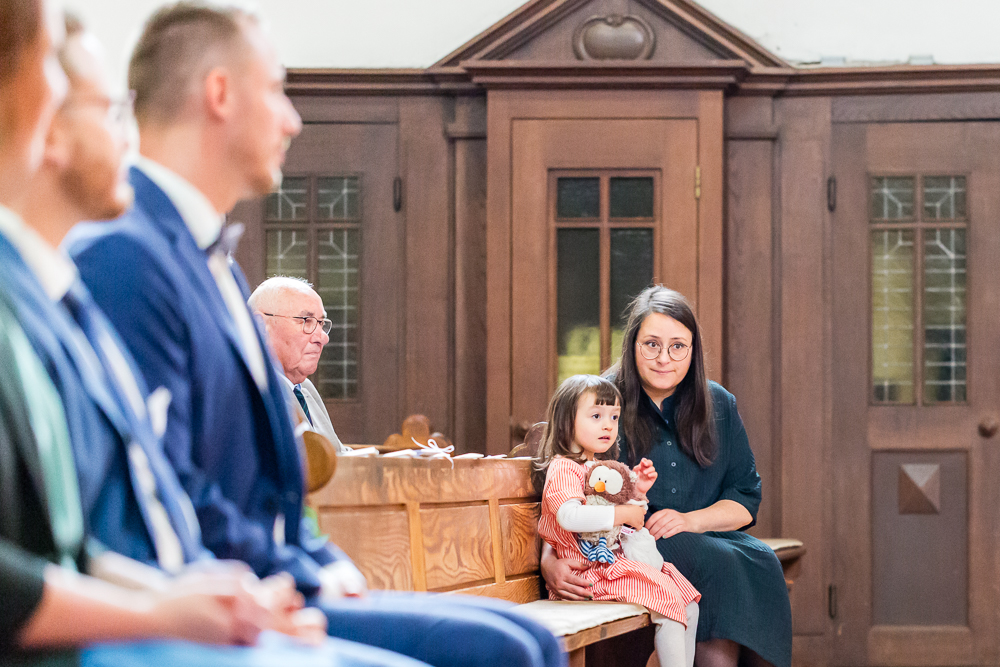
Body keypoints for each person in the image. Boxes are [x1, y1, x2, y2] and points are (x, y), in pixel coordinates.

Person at [66, 5, 564, 667]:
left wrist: (325, 559)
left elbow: (270, 485)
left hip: (281, 569)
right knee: (505, 650)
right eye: (275, 89)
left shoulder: (209, 260)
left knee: (529, 636)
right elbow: (168, 486)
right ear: (219, 93)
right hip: (222, 592)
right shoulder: (127, 256)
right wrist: (294, 578)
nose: (292, 119)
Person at [0, 2, 426, 666]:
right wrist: (171, 603)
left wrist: (215, 593)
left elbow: (90, 536)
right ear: (45, 126)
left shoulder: (57, 293)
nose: (128, 135)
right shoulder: (103, 268)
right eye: (107, 110)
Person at [541, 286, 792, 667]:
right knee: (713, 561)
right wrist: (549, 560)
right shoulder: (603, 402)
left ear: (693, 351)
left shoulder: (718, 402)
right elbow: (562, 487)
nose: (664, 358)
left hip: (706, 537)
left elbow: (745, 499)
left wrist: (690, 520)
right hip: (630, 547)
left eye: (678, 346)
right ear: (632, 345)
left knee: (761, 559)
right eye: (651, 344)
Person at [534, 374, 700, 667]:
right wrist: (621, 512)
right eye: (596, 416)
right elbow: (568, 515)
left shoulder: (598, 467)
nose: (608, 425)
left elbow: (619, 519)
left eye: (614, 416)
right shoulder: (564, 468)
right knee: (672, 603)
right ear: (566, 421)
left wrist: (638, 492)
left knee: (687, 602)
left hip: (612, 566)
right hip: (589, 573)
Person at [248, 276, 347, 452]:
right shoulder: (250, 390)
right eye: (306, 321)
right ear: (260, 325)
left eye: (321, 323)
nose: (323, 338)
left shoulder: (305, 387)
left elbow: (338, 455)